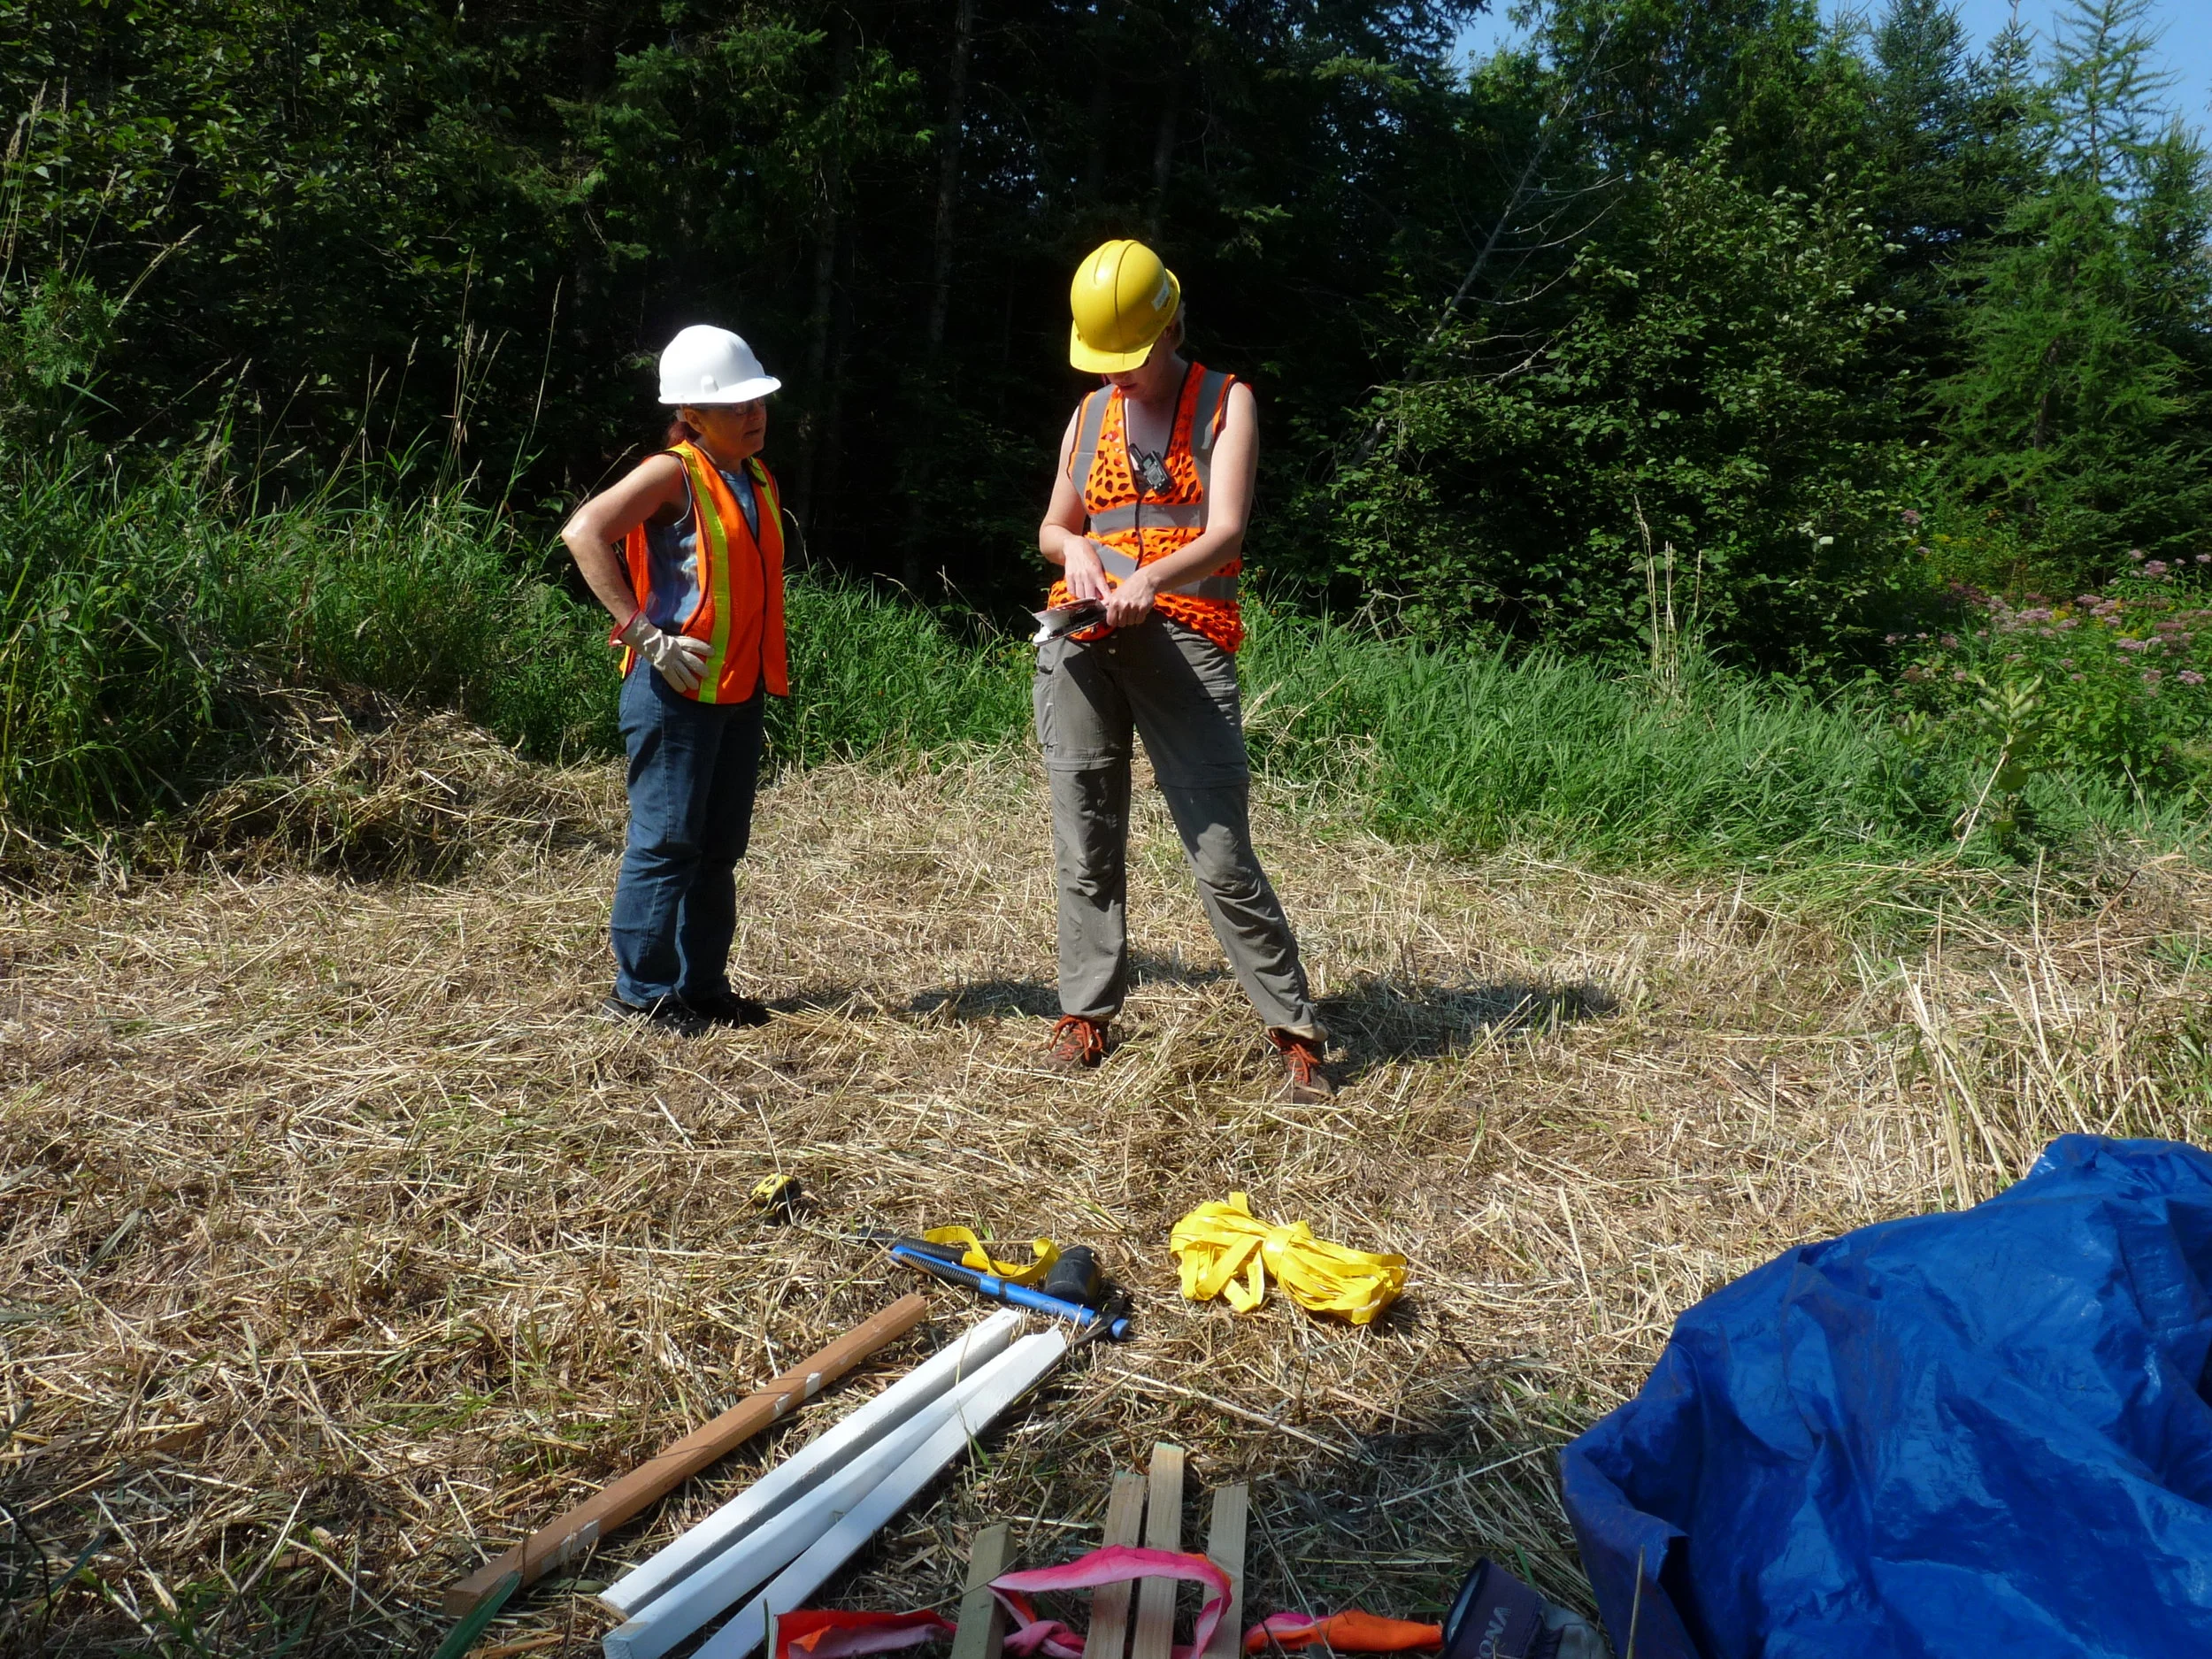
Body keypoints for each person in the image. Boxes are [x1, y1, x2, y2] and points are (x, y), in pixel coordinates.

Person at [1033, 239, 1333, 1102]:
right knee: (1085, 834)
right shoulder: (1089, 417)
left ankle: (1293, 1031)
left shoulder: (1224, 403)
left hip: (1187, 641)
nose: (1119, 375)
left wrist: (1147, 581)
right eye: (1106, 362)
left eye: (1132, 356)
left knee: (1219, 853)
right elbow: (1052, 529)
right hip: (1080, 647)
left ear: (1171, 325)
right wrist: (1081, 551)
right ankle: (1086, 1012)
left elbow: (1226, 530)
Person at [560, 324, 788, 1032]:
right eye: (737, 405)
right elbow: (583, 530)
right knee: (666, 843)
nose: (754, 414)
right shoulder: (673, 472)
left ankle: (702, 988)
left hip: (736, 691)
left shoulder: (753, 476)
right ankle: (641, 995)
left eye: (759, 401)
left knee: (717, 849)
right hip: (673, 692)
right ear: (691, 414)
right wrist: (642, 632)